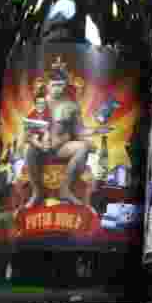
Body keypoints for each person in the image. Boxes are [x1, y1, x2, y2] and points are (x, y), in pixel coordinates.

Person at [24, 58, 109, 208]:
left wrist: (97, 130)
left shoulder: (71, 105)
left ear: (65, 85)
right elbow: (29, 132)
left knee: (82, 147)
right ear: (48, 85)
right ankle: (37, 192)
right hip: (40, 148)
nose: (58, 88)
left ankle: (65, 189)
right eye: (54, 85)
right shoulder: (40, 103)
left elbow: (79, 130)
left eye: (61, 85)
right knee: (28, 149)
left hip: (61, 148)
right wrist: (37, 143)